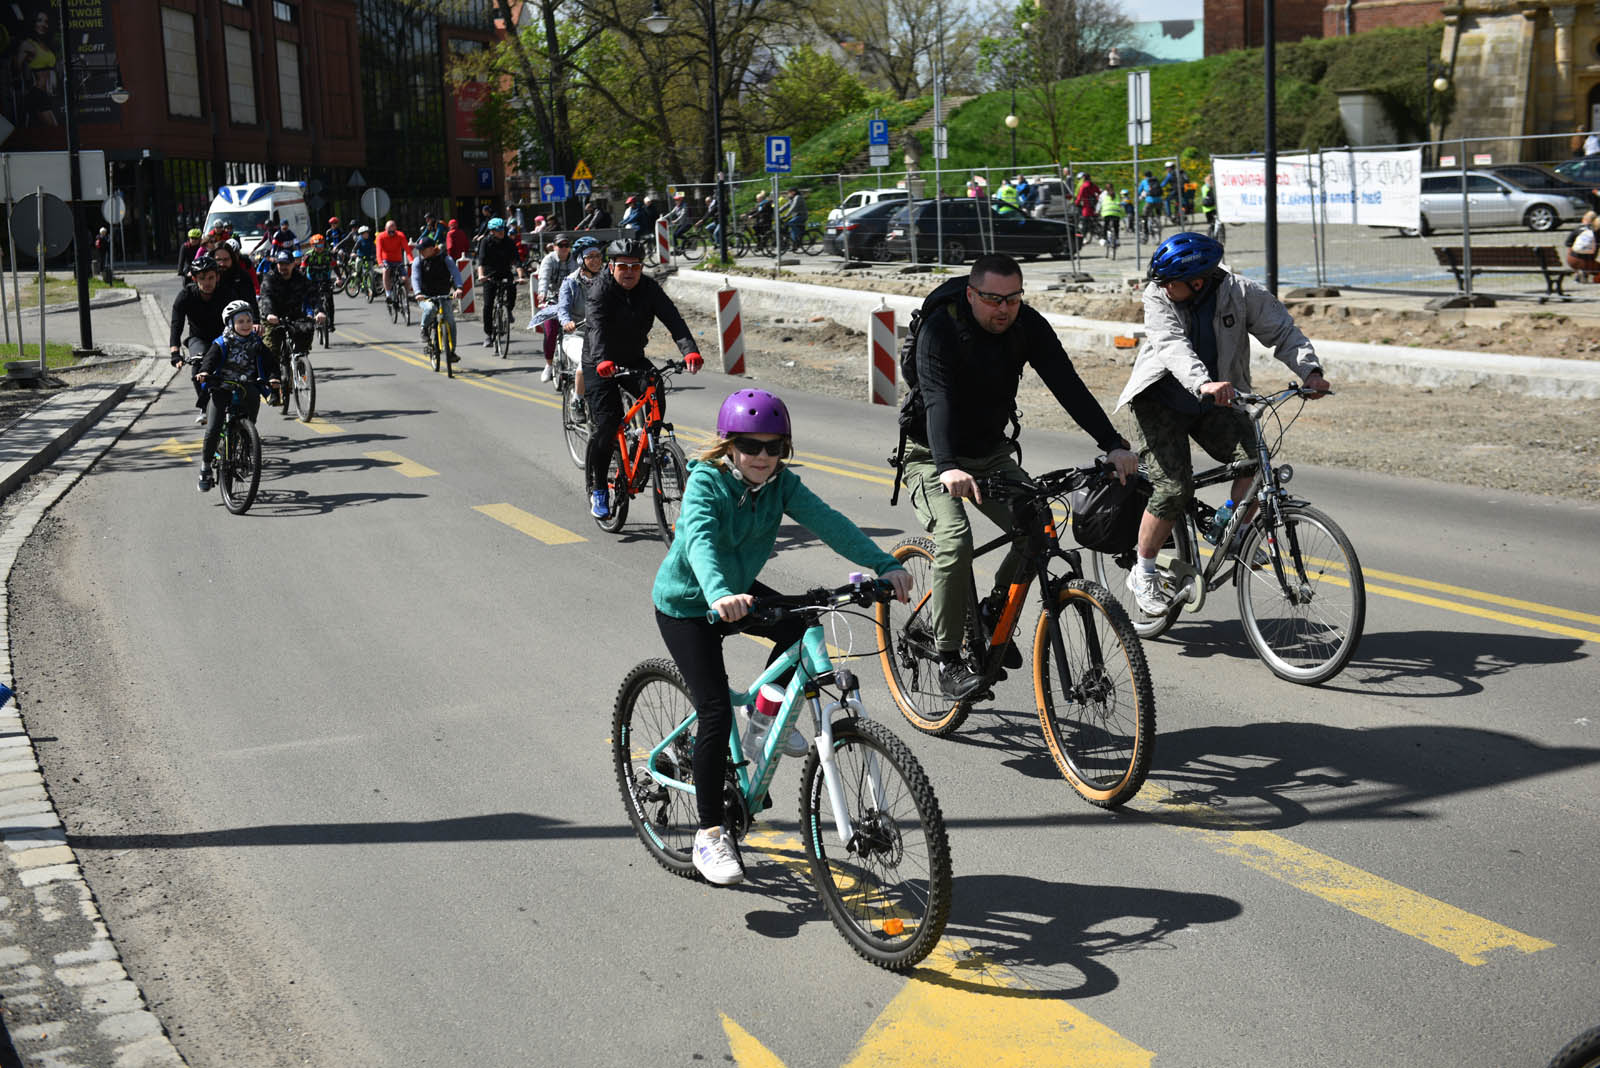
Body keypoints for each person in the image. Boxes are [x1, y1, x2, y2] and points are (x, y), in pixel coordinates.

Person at [650, 388, 913, 885]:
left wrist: (883, 563)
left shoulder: (780, 484)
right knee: (712, 710)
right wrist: (720, 593)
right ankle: (710, 836)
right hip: (690, 603)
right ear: (730, 445)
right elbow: (701, 542)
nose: (763, 457)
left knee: (798, 623)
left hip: (739, 592)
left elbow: (829, 523)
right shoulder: (706, 481)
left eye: (775, 448)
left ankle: (760, 717)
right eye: (752, 446)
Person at [896, 253, 1138, 698]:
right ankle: (949, 659)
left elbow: (1067, 385)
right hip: (931, 455)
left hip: (991, 454)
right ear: (972, 294)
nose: (1003, 309)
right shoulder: (941, 329)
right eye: (992, 299)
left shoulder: (1027, 326)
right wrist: (948, 466)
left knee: (1037, 526)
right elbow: (937, 400)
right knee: (955, 539)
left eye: (1012, 299)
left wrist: (1113, 444)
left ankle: (990, 612)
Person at [1115, 232, 1329, 617]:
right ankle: (1143, 571)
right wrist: (1203, 382)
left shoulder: (1240, 292)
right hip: (1162, 398)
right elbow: (1170, 345)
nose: (1163, 288)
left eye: (1171, 283)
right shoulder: (1158, 296)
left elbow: (1281, 330)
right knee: (1173, 488)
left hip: (1218, 397)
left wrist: (1310, 371)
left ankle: (1229, 525)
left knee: (1255, 462)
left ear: (1198, 282)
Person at [584, 238, 702, 518]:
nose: (629, 272)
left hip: (632, 357)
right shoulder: (600, 290)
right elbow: (596, 326)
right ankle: (599, 489)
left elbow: (674, 320)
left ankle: (644, 444)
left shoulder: (649, 289)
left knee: (656, 390)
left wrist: (690, 351)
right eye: (623, 266)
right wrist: (602, 360)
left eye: (635, 267)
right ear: (611, 266)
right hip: (599, 362)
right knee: (608, 425)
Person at [194, 301, 279, 492]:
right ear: (231, 324)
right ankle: (205, 468)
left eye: (249, 320)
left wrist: (274, 378)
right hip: (221, 388)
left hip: (247, 387)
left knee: (250, 423)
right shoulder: (221, 343)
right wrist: (205, 372)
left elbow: (270, 362)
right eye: (240, 321)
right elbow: (210, 360)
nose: (246, 324)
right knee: (213, 428)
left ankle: (244, 446)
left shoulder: (256, 343)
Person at [258, 249, 326, 408]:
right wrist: (269, 314)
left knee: (304, 335)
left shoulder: (301, 279)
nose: (283, 267)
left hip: (295, 316)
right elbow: (265, 297)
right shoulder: (270, 278)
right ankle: (274, 391)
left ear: (293, 264)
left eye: (286, 264)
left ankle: (301, 364)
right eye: (280, 264)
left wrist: (319, 311)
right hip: (273, 318)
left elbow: (314, 295)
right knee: (271, 350)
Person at [168, 255, 231, 424]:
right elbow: (176, 324)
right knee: (197, 365)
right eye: (202, 278)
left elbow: (240, 314)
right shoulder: (186, 295)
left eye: (211, 278)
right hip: (199, 338)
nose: (207, 283)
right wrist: (175, 352)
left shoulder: (226, 292)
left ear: (217, 277)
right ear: (194, 279)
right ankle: (205, 406)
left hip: (224, 337)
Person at [411, 235, 465, 361]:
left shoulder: (445, 258)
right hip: (425, 296)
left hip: (444, 295)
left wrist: (459, 288)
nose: (420, 252)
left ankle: (451, 352)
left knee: (450, 321)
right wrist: (418, 293)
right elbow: (415, 278)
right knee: (430, 309)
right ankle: (424, 328)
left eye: (422, 249)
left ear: (431, 248)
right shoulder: (418, 261)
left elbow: (455, 273)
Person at [474, 216, 524, 352]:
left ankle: (508, 310)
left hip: (505, 272)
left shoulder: (508, 242)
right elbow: (481, 262)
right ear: (491, 231)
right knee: (488, 305)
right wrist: (481, 276)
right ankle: (489, 334)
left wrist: (520, 276)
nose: (501, 232)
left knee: (512, 289)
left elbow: (517, 261)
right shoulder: (485, 242)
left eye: (503, 229)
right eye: (498, 230)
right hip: (489, 275)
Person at [530, 232, 574, 378]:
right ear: (554, 247)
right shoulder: (549, 260)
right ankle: (549, 365)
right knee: (550, 332)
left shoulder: (575, 260)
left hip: (571, 300)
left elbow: (579, 278)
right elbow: (543, 278)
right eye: (560, 245)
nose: (563, 248)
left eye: (566, 245)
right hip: (552, 299)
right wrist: (542, 293)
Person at [301, 234, 337, 330]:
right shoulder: (308, 255)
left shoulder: (328, 254)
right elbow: (302, 268)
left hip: (325, 279)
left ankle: (331, 323)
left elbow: (335, 266)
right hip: (312, 280)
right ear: (313, 246)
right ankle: (311, 318)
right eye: (317, 246)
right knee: (310, 299)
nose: (320, 248)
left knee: (330, 301)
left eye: (321, 245)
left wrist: (340, 278)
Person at [375, 220, 411, 302]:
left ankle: (405, 296)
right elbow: (378, 251)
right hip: (386, 260)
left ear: (396, 229)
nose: (391, 233)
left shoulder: (400, 235)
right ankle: (388, 294)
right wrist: (380, 262)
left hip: (398, 261)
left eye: (393, 231)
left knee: (406, 279)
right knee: (386, 270)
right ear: (385, 229)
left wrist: (411, 260)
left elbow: (407, 250)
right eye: (389, 231)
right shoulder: (380, 236)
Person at [1565, 211, 1600, 281]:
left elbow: (1567, 243)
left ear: (1584, 218)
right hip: (1588, 262)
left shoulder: (1577, 229)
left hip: (1571, 260)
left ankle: (1581, 272)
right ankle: (1585, 272)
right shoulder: (1596, 232)